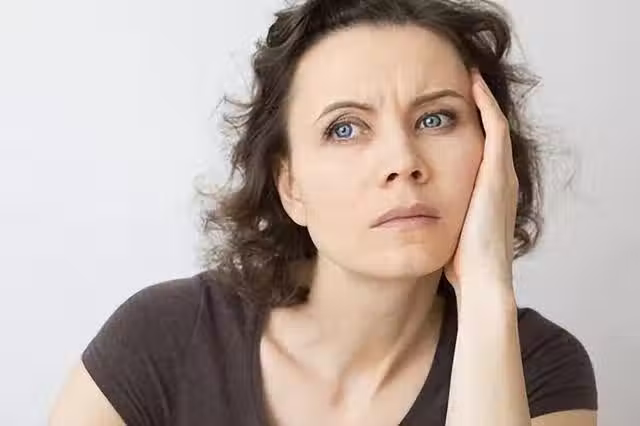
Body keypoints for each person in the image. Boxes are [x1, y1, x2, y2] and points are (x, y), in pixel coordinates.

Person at [50, 0, 598, 425]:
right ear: (290, 186)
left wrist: (486, 292)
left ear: (494, 150)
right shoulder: (160, 339)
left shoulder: (537, 366)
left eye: (435, 119)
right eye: (345, 128)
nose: (402, 162)